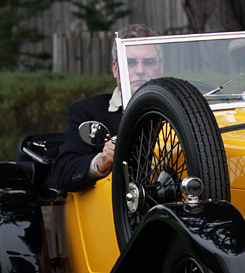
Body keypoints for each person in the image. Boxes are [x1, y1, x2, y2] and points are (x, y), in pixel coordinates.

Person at [49, 24, 161, 192]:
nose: (139, 71)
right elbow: (64, 172)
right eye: (130, 63)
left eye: (149, 62)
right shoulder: (86, 112)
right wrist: (101, 161)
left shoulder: (187, 110)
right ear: (116, 69)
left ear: (161, 66)